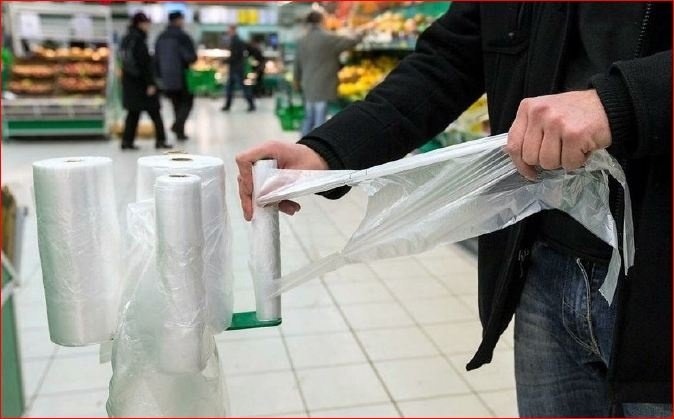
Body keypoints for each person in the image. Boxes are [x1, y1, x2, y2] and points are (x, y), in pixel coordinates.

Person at [236, 3, 672, 417]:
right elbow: (448, 59)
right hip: (542, 262)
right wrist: (326, 151)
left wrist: (623, 99)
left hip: (659, 280)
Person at [294, 11, 360, 136]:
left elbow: (297, 64)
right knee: (320, 121)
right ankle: (318, 144)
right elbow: (350, 42)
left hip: (307, 86)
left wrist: (296, 81)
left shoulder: (302, 40)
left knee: (309, 117)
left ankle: (302, 142)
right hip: (323, 86)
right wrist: (360, 33)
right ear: (321, 21)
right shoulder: (328, 38)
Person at [119, 12, 171, 150]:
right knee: (155, 111)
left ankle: (126, 141)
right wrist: (151, 83)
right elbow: (144, 65)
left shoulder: (126, 39)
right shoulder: (139, 40)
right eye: (147, 23)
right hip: (141, 83)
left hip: (130, 82)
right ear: (140, 24)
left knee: (133, 113)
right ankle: (161, 140)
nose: (148, 26)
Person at [155, 11, 197, 141]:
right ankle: (178, 126)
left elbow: (156, 59)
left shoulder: (161, 37)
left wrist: (159, 76)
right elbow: (190, 57)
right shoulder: (182, 36)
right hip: (181, 75)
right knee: (187, 102)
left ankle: (180, 132)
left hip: (166, 77)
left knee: (176, 104)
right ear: (178, 20)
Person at [221, 25, 255, 112]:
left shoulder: (236, 41)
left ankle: (251, 104)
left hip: (236, 69)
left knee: (241, 87)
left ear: (233, 31)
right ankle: (228, 105)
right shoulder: (239, 40)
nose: (228, 33)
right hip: (237, 67)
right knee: (231, 87)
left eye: (229, 31)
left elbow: (234, 56)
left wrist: (225, 61)